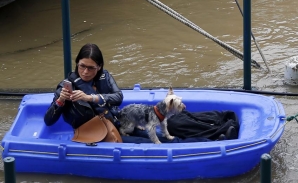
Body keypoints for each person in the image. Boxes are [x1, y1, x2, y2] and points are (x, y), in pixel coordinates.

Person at [44, 43, 212, 143]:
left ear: (99, 66)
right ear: (77, 64)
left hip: (120, 120)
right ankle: (209, 142)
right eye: (82, 66)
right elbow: (49, 121)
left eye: (91, 68)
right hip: (99, 132)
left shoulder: (105, 77)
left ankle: (215, 129)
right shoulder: (66, 88)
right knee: (153, 141)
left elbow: (118, 97)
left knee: (174, 126)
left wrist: (92, 97)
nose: (86, 72)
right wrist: (60, 101)